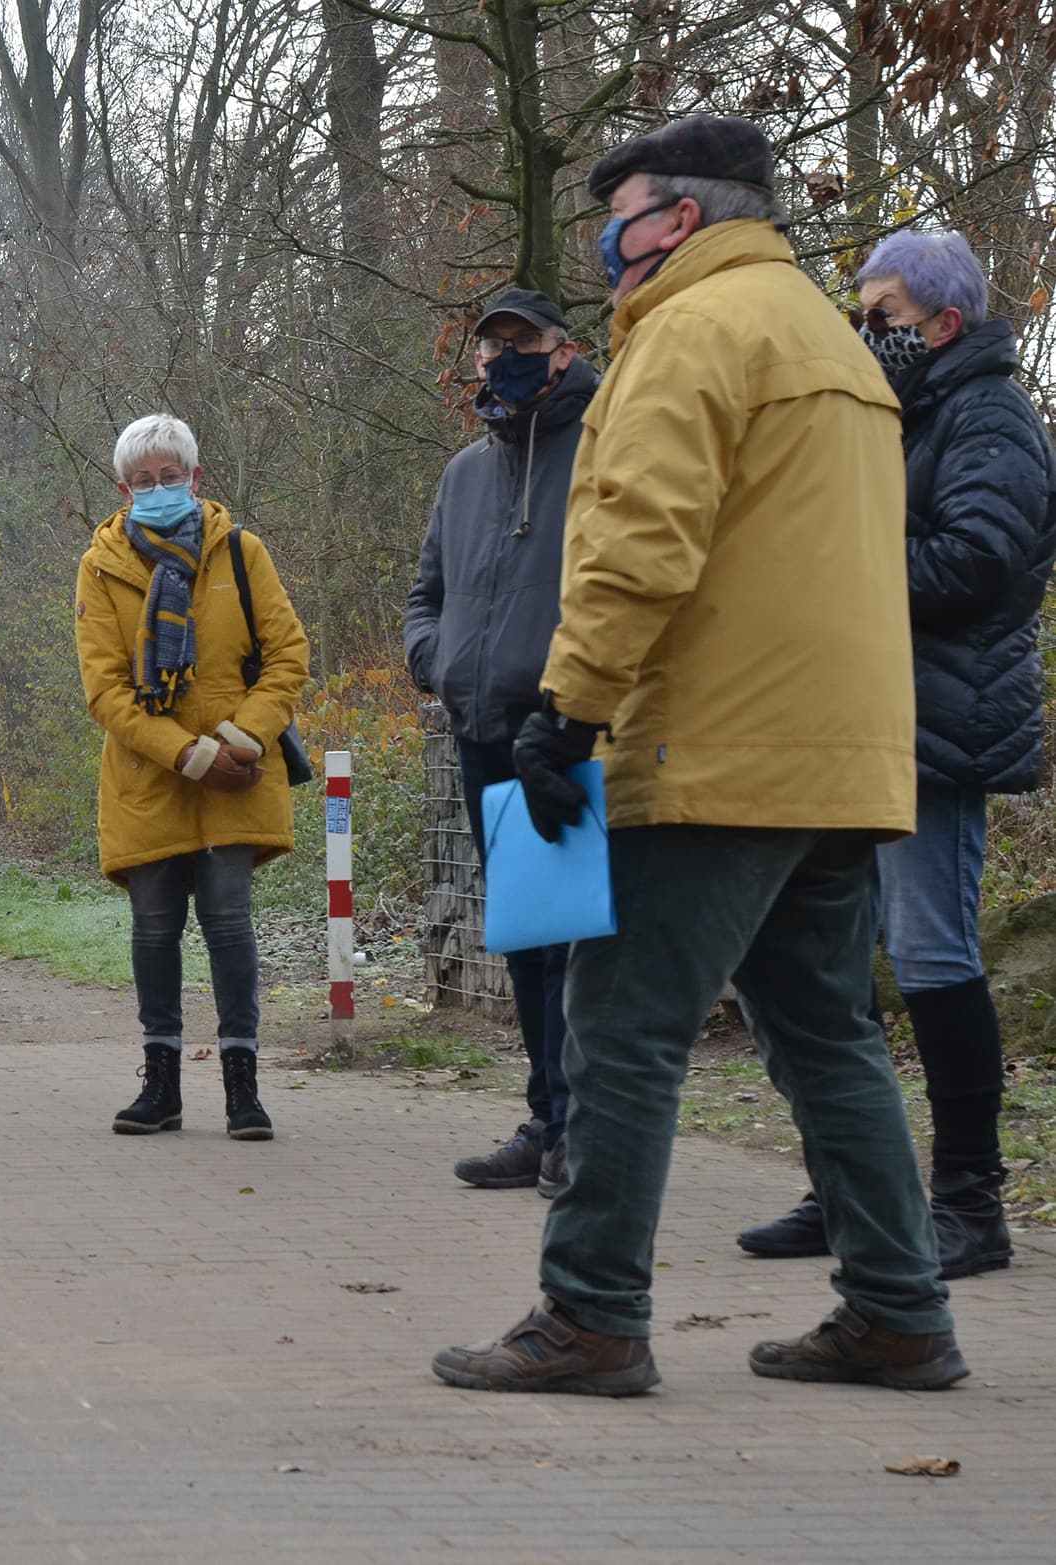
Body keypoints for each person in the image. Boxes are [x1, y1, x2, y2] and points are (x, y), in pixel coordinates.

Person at [434, 116, 964, 1396]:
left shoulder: (689, 330)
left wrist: (567, 708)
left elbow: (640, 540)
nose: (606, 246)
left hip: (713, 745)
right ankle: (898, 1307)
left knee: (621, 1027)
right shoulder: (832, 340)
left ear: (673, 218)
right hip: (838, 757)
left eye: (614, 216)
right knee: (824, 1033)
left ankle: (591, 1313)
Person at [739, 230, 1056, 1279]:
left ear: (942, 324)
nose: (863, 332)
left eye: (880, 316)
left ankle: (971, 1201)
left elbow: (979, 561)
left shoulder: (991, 417)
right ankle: (851, 1185)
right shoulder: (895, 413)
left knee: (930, 957)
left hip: (939, 726)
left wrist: (834, 559)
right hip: (859, 719)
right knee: (828, 964)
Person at [406, 288, 598, 1199]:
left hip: (563, 729)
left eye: (522, 344)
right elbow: (426, 594)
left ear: (564, 353)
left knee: (573, 939)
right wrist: (432, 661)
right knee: (525, 938)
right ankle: (547, 1118)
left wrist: (569, 705)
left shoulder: (602, 449)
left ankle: (581, 1129)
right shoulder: (464, 474)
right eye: (491, 349)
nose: (503, 360)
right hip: (478, 730)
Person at [74, 413, 310, 1141]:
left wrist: (242, 736)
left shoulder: (242, 551)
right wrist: (185, 752)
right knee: (153, 930)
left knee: (231, 925)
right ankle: (162, 1085)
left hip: (237, 771)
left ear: (195, 477)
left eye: (168, 476)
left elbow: (287, 654)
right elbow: (105, 689)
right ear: (122, 488)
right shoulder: (100, 565)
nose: (156, 488)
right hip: (151, 779)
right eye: (142, 480)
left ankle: (244, 1087)